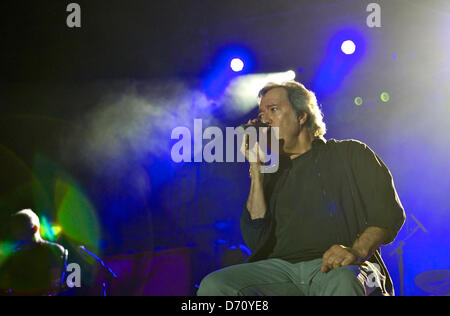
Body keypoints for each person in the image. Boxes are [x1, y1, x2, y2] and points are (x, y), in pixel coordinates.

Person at [197, 81, 406, 296]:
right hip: (280, 272)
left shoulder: (350, 153)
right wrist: (257, 170)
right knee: (215, 285)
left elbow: (387, 214)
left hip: (340, 266)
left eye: (274, 109)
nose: (265, 119)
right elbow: (255, 238)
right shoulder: (270, 173)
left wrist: (357, 251)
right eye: (261, 114)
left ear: (301, 115)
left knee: (344, 280)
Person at [0, 209, 67, 296]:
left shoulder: (52, 250)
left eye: (21, 228)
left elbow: (55, 286)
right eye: (14, 229)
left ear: (35, 229)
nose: (16, 233)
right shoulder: (14, 256)